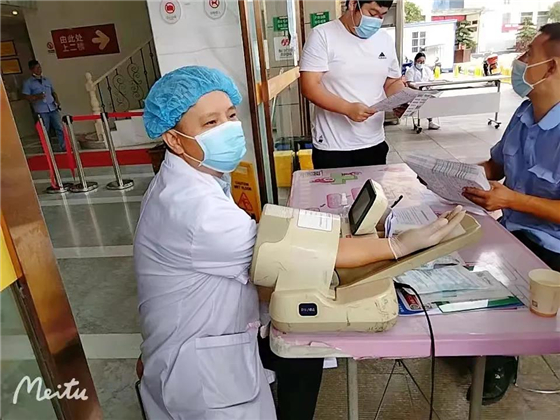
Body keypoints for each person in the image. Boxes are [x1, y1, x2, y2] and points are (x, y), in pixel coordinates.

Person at [134, 65, 466, 420]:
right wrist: (397, 246)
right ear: (174, 139)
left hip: (202, 342)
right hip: (200, 375)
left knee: (304, 353)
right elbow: (293, 252)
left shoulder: (192, 179)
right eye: (210, 123)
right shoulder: (194, 208)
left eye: (230, 115)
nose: (228, 128)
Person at [463, 23, 560, 405]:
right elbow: (496, 165)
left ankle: (500, 361)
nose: (519, 62)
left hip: (552, 244)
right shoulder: (523, 113)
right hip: (512, 228)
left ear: (551, 67)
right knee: (452, 248)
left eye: (528, 55)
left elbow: (513, 197)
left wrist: (513, 201)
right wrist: (458, 174)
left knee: (502, 279)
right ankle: (479, 339)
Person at [300, 0, 406, 170]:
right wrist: (347, 108)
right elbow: (309, 87)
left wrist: (400, 100)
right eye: (372, 13)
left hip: (374, 142)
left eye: (382, 16)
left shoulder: (384, 39)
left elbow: (392, 81)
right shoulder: (322, 35)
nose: (377, 21)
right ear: (352, 4)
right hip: (334, 146)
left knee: (373, 187)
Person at [22, 60, 65, 152]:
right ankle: (49, 149)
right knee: (45, 130)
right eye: (37, 68)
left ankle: (63, 146)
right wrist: (36, 97)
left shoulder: (46, 80)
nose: (39, 69)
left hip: (52, 107)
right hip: (41, 110)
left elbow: (53, 92)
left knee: (60, 128)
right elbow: (26, 96)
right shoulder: (28, 83)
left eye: (40, 67)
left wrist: (57, 101)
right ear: (32, 70)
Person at [405, 52, 440, 130]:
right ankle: (416, 122)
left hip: (426, 91)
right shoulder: (410, 71)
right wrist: (417, 87)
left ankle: (430, 121)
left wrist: (429, 85)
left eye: (423, 62)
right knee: (420, 101)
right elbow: (409, 83)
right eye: (419, 61)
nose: (421, 63)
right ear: (415, 61)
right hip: (415, 92)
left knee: (432, 101)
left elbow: (431, 80)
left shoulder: (427, 70)